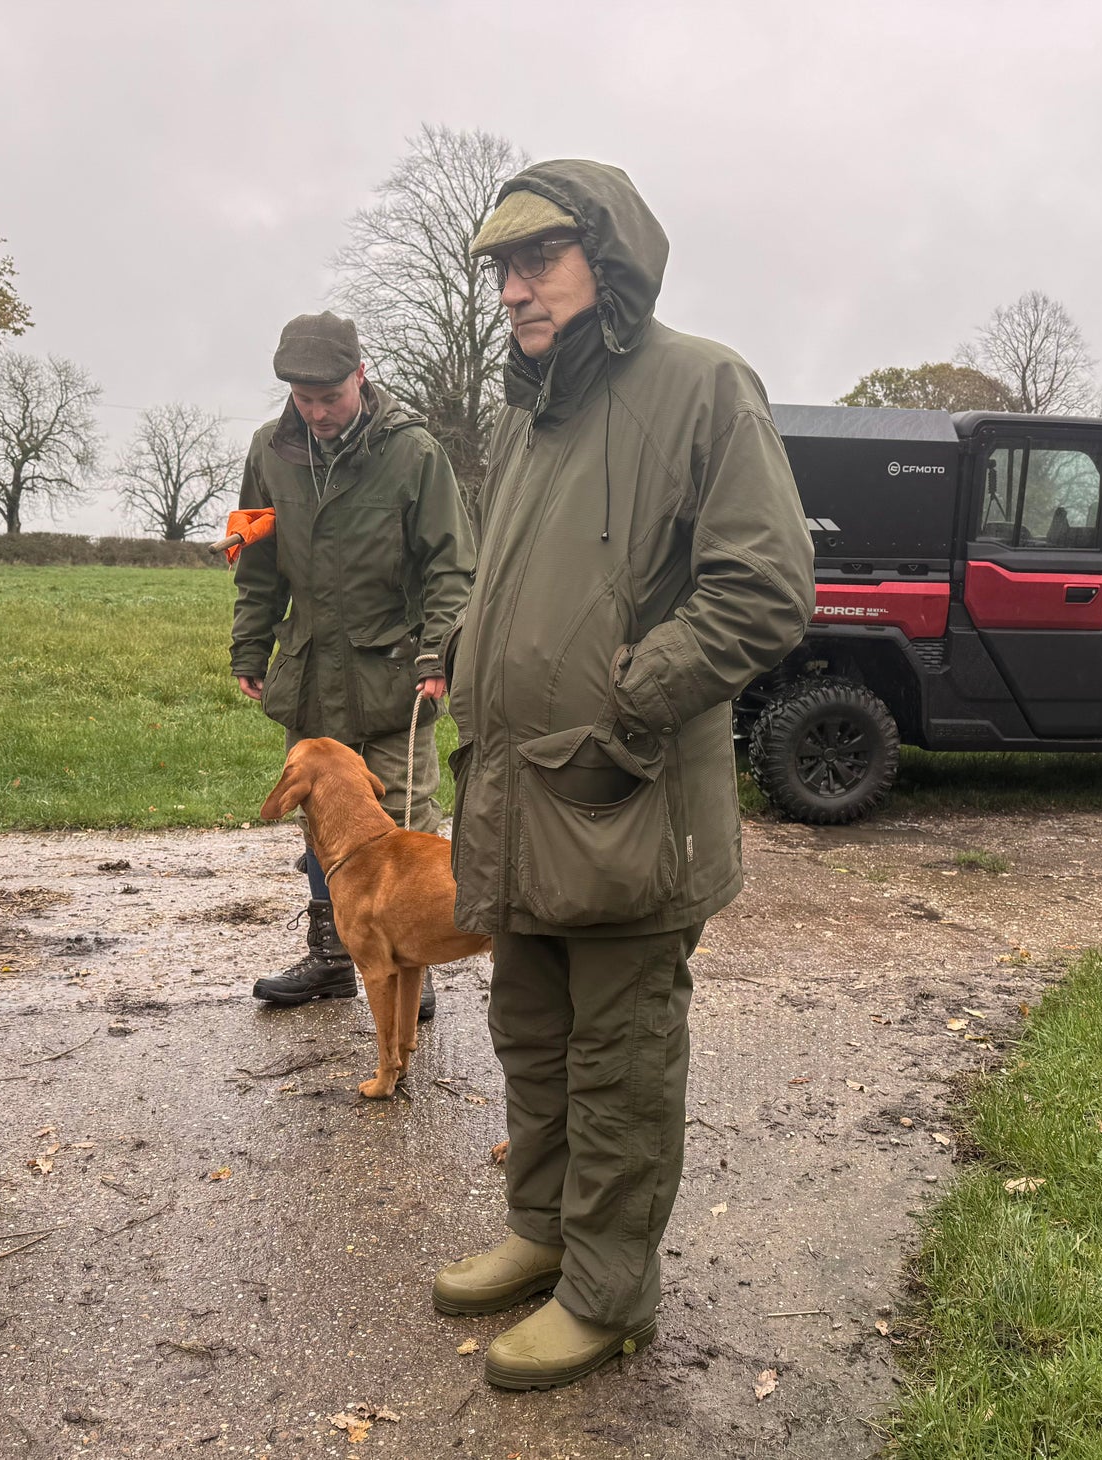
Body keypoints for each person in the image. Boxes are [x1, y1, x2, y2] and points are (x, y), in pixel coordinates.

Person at [435, 161, 814, 1390]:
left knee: (619, 1056)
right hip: (520, 795)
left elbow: (764, 590)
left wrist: (628, 693)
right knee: (528, 1031)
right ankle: (541, 1233)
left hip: (626, 795)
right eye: (499, 268)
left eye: (536, 260)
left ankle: (608, 1290)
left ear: (609, 260)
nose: (511, 290)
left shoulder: (700, 383)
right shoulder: (524, 410)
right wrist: (464, 656)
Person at [231, 312, 474, 1022]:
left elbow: (450, 566)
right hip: (308, 669)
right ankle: (335, 956)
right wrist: (250, 646)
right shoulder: (269, 451)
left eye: (330, 396)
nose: (318, 412)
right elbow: (257, 559)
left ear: (360, 377)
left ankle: (414, 953)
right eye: (304, 400)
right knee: (322, 823)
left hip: (397, 671)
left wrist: (440, 651)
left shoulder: (414, 452)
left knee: (402, 815)